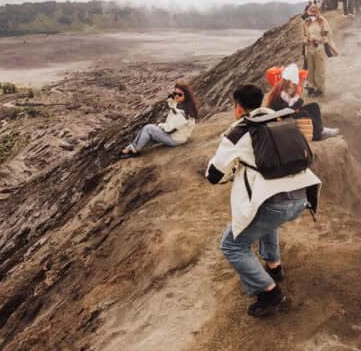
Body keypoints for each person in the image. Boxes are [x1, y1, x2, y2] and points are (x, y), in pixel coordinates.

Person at [206, 84, 321, 317]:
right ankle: (273, 266)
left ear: (238, 108)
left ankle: (269, 292)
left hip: (273, 204)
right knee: (267, 220)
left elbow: (215, 175)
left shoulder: (239, 131)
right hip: (301, 196)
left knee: (232, 245)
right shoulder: (279, 119)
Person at [121, 81, 199, 155]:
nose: (176, 96)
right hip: (177, 136)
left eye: (179, 94)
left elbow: (169, 129)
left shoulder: (184, 112)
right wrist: (172, 101)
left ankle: (134, 150)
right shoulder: (185, 105)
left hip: (175, 139)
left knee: (148, 128)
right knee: (147, 131)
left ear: (186, 95)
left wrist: (160, 126)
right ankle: (132, 147)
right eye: (175, 93)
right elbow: (173, 110)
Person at [265, 64, 339, 141]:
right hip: (280, 119)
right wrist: (298, 102)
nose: (294, 86)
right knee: (304, 113)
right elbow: (287, 111)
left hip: (286, 114)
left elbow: (293, 107)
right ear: (287, 81)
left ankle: (320, 130)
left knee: (314, 106)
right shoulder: (279, 93)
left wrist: (297, 102)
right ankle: (318, 133)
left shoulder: (286, 90)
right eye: (293, 84)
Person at [302, 3, 334, 96]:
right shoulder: (306, 22)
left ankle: (320, 89)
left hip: (319, 49)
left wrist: (319, 40)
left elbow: (328, 36)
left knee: (320, 70)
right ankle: (311, 87)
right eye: (311, 12)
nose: (312, 14)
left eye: (314, 11)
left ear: (317, 12)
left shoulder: (322, 22)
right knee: (310, 70)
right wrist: (306, 40)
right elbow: (304, 35)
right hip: (309, 49)